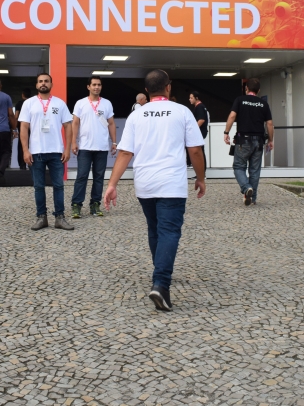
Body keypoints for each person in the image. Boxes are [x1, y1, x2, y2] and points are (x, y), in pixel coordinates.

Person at [103, 70, 206, 312]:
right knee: (169, 231)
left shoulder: (136, 116)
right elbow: (195, 151)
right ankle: (161, 284)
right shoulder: (183, 112)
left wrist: (112, 184)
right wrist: (201, 178)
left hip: (145, 183)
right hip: (171, 182)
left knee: (155, 228)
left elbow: (126, 153)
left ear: (147, 91)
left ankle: (160, 269)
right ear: (168, 88)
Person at [19, 73, 74, 231]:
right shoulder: (29, 104)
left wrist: (67, 148)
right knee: (38, 186)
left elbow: (68, 126)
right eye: (40, 81)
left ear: (51, 84)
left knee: (59, 186)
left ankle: (60, 218)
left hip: (57, 152)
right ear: (36, 85)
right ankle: (41, 217)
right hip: (36, 152)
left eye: (46, 81)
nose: (43, 84)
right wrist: (25, 150)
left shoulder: (60, 104)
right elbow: (23, 127)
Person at [70, 76, 117, 219]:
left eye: (99, 85)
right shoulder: (80, 103)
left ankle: (95, 204)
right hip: (84, 147)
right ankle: (76, 205)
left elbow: (111, 123)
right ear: (88, 87)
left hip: (102, 147)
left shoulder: (107, 103)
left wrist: (114, 142)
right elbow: (75, 123)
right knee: (82, 176)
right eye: (94, 85)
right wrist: (73, 141)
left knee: (99, 177)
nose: (96, 87)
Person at [223, 78, 274, 206]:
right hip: (258, 141)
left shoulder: (240, 100)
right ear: (259, 90)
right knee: (255, 170)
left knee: (239, 167)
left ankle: (246, 188)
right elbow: (269, 123)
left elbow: (232, 116)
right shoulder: (263, 104)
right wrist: (271, 140)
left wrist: (226, 132)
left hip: (243, 140)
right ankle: (253, 198)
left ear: (246, 89)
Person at [187, 91, 209, 171]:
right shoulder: (200, 106)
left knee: (200, 151)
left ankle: (202, 172)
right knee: (200, 151)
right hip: (201, 131)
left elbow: (201, 120)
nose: (190, 99)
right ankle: (201, 172)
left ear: (196, 98)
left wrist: (193, 130)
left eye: (191, 98)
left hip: (200, 132)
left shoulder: (199, 107)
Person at [14, 88, 32, 170]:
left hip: (22, 126)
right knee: (31, 144)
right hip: (32, 126)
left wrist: (14, 127)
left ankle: (22, 164)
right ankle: (32, 163)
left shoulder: (19, 103)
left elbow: (16, 116)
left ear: (23, 95)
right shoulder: (32, 103)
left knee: (21, 145)